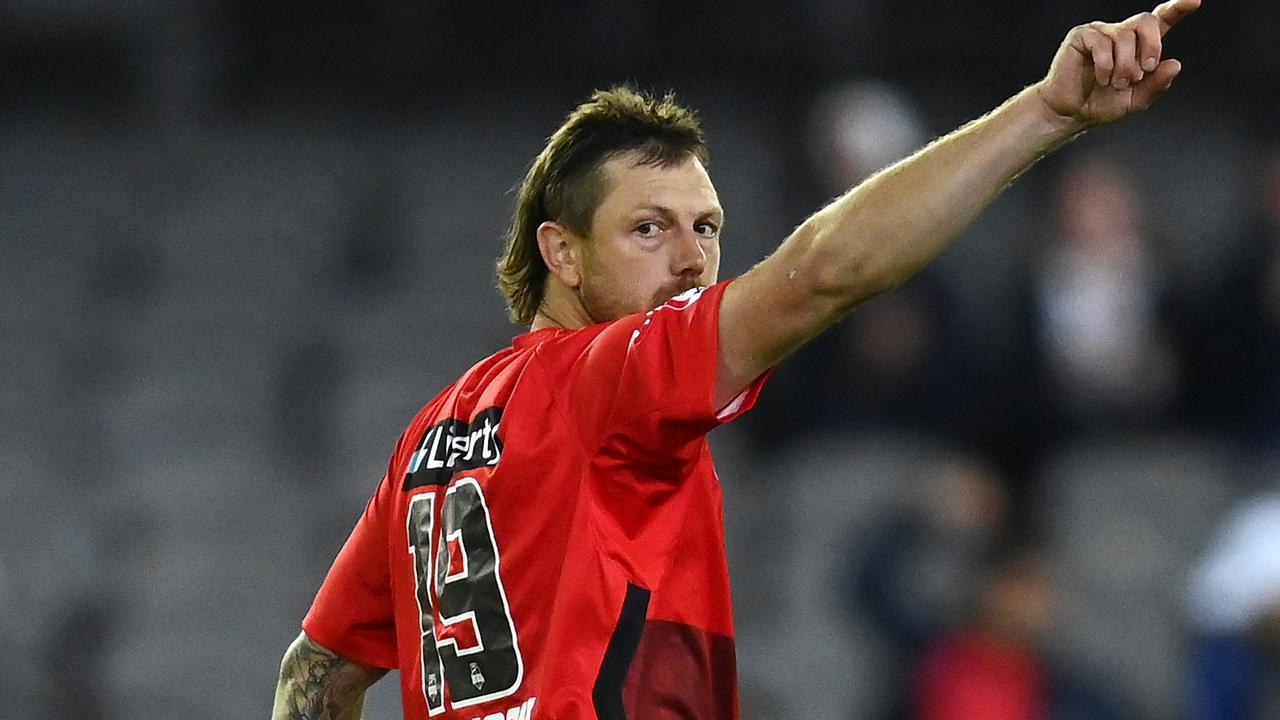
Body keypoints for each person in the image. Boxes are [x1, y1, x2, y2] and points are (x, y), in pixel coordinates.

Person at [271, 2, 1202, 718]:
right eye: (648, 228)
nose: (690, 260)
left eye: (706, 229)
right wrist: (1046, 112)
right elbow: (822, 276)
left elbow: (316, 670)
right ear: (561, 253)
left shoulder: (431, 436)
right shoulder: (610, 376)